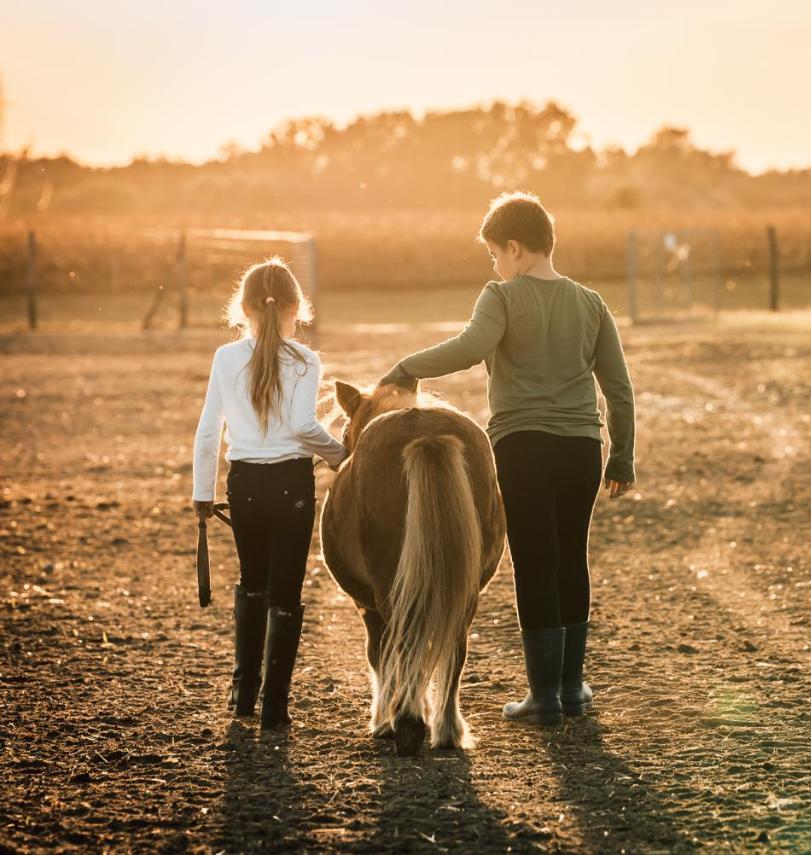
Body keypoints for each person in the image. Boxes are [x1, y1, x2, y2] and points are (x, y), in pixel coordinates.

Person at [379, 191, 636, 725]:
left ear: (515, 249)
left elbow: (472, 347)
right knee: (572, 559)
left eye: (495, 253)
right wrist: (623, 457)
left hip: (523, 446)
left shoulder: (501, 296)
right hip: (583, 449)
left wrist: (408, 365)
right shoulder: (591, 303)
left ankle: (542, 698)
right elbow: (618, 388)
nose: (495, 265)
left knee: (536, 562)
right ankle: (569, 688)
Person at [191, 258, 348, 728]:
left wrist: (202, 492)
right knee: (286, 592)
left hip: (244, 484)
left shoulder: (225, 357)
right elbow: (303, 426)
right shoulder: (306, 361)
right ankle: (275, 703)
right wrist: (341, 456)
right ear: (296, 308)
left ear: (243, 308)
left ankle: (242, 693)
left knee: (252, 581)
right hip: (291, 484)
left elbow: (207, 431)